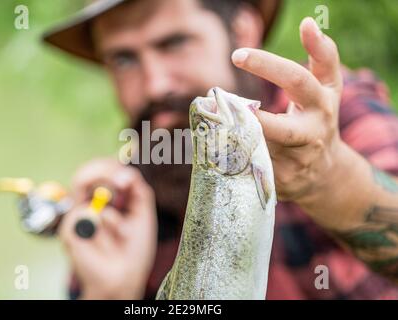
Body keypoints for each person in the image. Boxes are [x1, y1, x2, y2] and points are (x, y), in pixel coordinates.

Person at [43, 0, 398, 299]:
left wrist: (330, 178)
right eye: (123, 60)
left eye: (174, 43)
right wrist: (113, 295)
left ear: (243, 31)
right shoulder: (121, 208)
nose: (155, 84)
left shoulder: (333, 117)